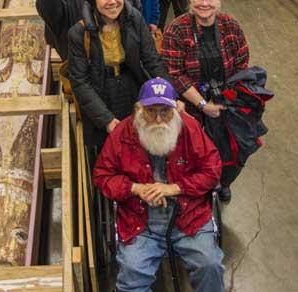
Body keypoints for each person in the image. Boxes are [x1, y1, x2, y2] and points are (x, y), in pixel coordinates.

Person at [94, 77, 224, 292]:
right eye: (150, 111)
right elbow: (103, 175)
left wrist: (175, 187)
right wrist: (135, 188)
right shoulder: (122, 134)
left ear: (175, 108)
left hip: (188, 215)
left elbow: (212, 169)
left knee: (210, 265)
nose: (158, 119)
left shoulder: (189, 128)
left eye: (165, 111)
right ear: (139, 109)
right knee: (131, 278)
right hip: (140, 220)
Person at [162, 0, 249, 201]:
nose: (204, 3)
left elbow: (242, 64)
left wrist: (230, 100)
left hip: (226, 100)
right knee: (194, 152)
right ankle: (198, 187)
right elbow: (174, 73)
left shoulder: (231, 26)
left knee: (236, 147)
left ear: (218, 0)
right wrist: (202, 104)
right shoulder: (177, 29)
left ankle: (223, 180)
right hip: (192, 105)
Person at [67, 0, 170, 149]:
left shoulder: (133, 19)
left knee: (142, 141)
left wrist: (169, 95)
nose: (112, 1)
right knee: (110, 148)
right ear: (93, 1)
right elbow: (80, 82)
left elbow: (151, 59)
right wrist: (106, 119)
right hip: (100, 92)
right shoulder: (79, 33)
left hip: (132, 86)